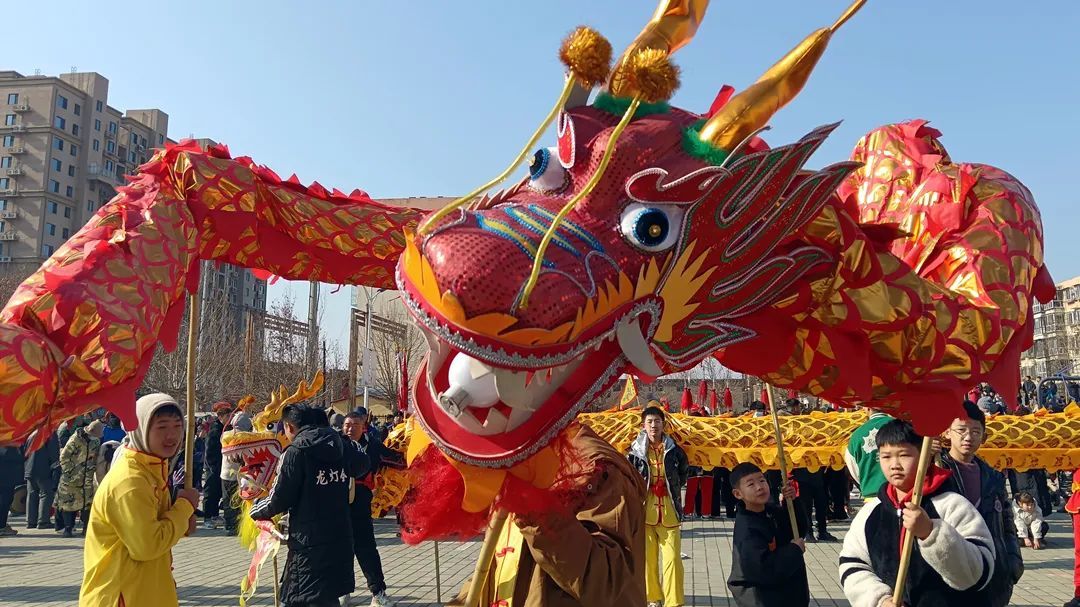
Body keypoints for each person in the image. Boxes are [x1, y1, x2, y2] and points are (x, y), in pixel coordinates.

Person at [839, 420, 995, 606]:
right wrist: (880, 600)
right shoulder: (871, 512)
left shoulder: (952, 505)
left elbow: (979, 573)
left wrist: (932, 533)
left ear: (925, 457)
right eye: (886, 456)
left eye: (904, 455)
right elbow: (853, 563)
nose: (894, 465)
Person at [79, 394, 199, 607]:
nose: (172, 435)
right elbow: (147, 546)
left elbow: (149, 530)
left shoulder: (151, 470)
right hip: (123, 596)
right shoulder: (130, 481)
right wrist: (184, 507)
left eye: (178, 426)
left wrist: (180, 522)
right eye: (162, 427)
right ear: (140, 428)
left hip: (145, 591)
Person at [251, 403, 355, 607]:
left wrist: (255, 508)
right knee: (326, 597)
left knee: (300, 598)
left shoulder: (295, 452)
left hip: (309, 542)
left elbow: (279, 498)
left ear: (289, 426)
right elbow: (363, 464)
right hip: (340, 537)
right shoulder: (342, 445)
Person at [939, 400, 1023, 607]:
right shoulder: (937, 472)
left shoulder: (993, 477)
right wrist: (928, 461)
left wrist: (1013, 560)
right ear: (947, 433)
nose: (968, 437)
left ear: (984, 437)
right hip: (949, 570)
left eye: (975, 432)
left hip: (991, 572)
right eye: (961, 430)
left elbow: (1007, 522)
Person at [627, 404, 689, 607]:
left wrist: (671, 485)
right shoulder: (635, 451)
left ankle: (674, 602)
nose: (654, 425)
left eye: (657, 421)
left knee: (672, 559)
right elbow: (629, 476)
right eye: (650, 422)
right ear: (643, 425)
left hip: (669, 510)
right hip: (645, 511)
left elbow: (684, 472)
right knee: (648, 559)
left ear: (664, 424)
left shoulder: (674, 450)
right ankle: (652, 598)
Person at [726, 462, 808, 606]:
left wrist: (792, 503)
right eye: (751, 484)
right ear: (738, 494)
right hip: (762, 599)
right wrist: (794, 551)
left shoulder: (771, 512)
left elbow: (797, 532)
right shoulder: (747, 528)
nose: (759, 487)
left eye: (762, 480)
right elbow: (763, 569)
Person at [342, 411, 392, 607]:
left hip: (361, 502)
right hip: (337, 504)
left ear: (363, 427)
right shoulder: (335, 444)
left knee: (366, 548)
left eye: (355, 424)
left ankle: (378, 592)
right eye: (347, 424)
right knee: (340, 549)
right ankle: (342, 591)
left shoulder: (373, 446)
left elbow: (394, 459)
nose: (350, 428)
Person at [58, 419, 103, 537]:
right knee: (69, 504)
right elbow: (64, 457)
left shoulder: (95, 441)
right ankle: (68, 528)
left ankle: (86, 528)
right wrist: (70, 471)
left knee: (87, 504)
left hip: (87, 479)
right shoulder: (75, 439)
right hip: (71, 479)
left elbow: (95, 457)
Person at [844, 410, 893, 501]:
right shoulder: (900, 428)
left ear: (867, 408)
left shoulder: (856, 435)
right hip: (901, 497)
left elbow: (853, 469)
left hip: (871, 498)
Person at [202, 401, 231, 529]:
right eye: (227, 416)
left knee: (218, 492)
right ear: (220, 417)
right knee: (210, 492)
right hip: (213, 467)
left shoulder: (225, 429)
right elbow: (209, 450)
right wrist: (213, 466)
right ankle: (208, 517)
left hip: (222, 465)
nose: (229, 419)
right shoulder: (215, 430)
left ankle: (214, 515)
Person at [24, 430, 60, 529]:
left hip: (29, 468)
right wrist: (56, 467)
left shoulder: (31, 433)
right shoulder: (50, 433)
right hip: (43, 468)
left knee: (32, 494)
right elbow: (53, 452)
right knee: (46, 494)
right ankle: (43, 521)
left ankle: (30, 521)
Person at [0, 444, 23, 537]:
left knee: (5, 500)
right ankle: (1, 527)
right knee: (5, 501)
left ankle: (2, 524)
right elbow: (16, 457)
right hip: (6, 478)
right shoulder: (7, 445)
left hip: (6, 477)